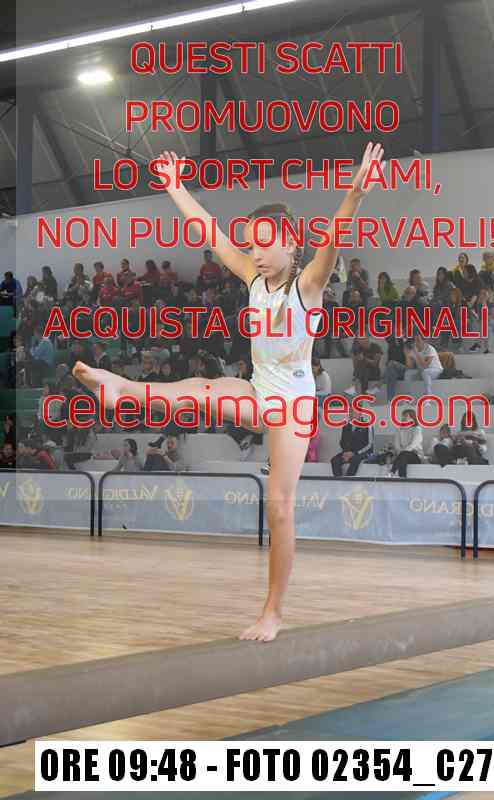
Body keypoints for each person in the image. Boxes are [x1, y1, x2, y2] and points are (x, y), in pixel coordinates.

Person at [72, 141, 385, 642]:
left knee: (279, 507)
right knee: (204, 387)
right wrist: (175, 187)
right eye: (250, 245)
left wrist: (356, 194)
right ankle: (121, 388)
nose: (254, 253)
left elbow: (332, 240)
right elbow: (210, 231)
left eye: (263, 244)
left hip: (293, 407)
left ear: (290, 243)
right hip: (261, 391)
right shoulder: (252, 279)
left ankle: (273, 613)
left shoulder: (306, 286)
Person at [330, 409, 374, 476]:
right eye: (350, 411)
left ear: (360, 413)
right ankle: (339, 480)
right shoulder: (346, 426)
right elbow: (342, 442)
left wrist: (355, 453)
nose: (351, 413)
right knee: (334, 460)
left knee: (355, 460)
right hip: (348, 453)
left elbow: (370, 444)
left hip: (362, 453)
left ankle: (348, 480)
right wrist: (346, 452)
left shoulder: (368, 425)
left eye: (353, 412)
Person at [388, 408, 423, 477]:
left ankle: (392, 471)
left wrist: (402, 451)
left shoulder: (417, 429)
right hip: (402, 455)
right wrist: (401, 451)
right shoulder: (399, 430)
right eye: (403, 416)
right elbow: (397, 446)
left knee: (404, 454)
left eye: (406, 416)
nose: (403, 418)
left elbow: (413, 445)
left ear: (412, 418)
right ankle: (402, 477)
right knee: (403, 457)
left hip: (415, 455)